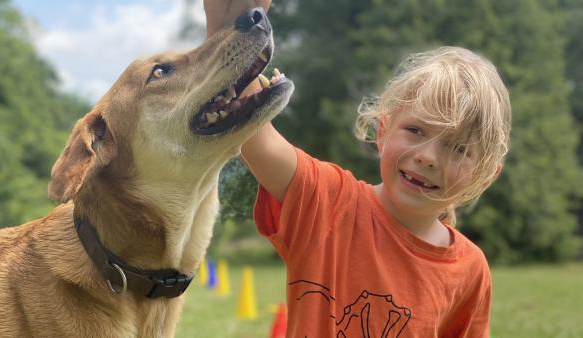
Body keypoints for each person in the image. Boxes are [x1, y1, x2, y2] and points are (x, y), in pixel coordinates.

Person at [204, 1, 511, 337]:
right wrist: (227, 30)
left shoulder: (471, 270)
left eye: (458, 149)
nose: (428, 157)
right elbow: (256, 136)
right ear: (382, 131)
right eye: (415, 130)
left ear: (483, 177)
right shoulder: (329, 201)